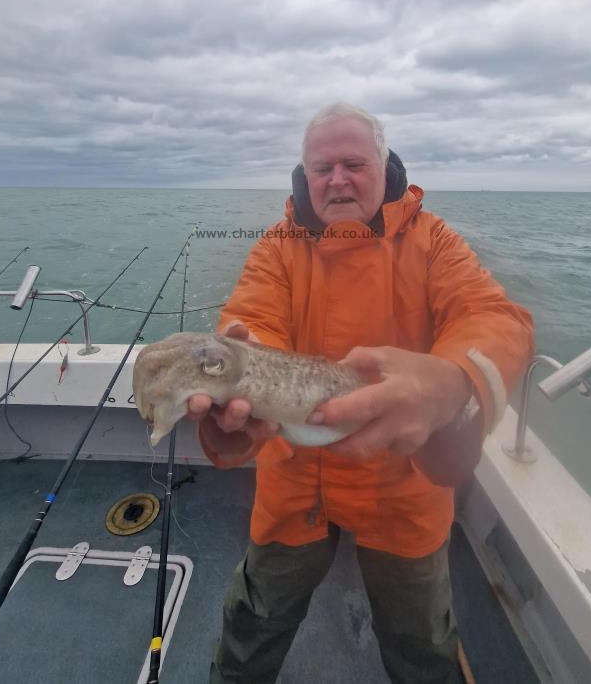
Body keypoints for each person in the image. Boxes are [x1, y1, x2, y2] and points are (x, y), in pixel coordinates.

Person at [188, 103, 534, 684]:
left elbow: (492, 317)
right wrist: (235, 387)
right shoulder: (277, 246)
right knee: (254, 625)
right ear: (303, 174)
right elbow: (252, 321)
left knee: (420, 641)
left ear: (384, 165)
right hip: (294, 478)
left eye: (353, 164)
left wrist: (451, 380)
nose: (338, 179)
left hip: (405, 486)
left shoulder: (434, 241)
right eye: (322, 168)